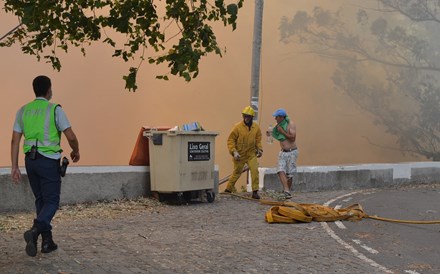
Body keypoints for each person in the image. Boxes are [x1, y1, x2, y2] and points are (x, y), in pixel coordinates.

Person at [10, 75, 80, 257]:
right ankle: (34, 231)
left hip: (30, 161)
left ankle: (47, 242)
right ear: (49, 90)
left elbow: (14, 141)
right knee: (52, 201)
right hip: (48, 160)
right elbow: (70, 136)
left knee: (41, 200)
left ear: (34, 90)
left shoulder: (23, 110)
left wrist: (14, 166)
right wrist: (76, 151)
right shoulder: (55, 109)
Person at [225, 106, 263, 199]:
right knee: (237, 172)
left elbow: (258, 140)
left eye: (248, 116)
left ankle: (255, 192)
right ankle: (228, 189)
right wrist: (234, 152)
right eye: (245, 116)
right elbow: (231, 140)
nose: (246, 118)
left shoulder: (256, 128)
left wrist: (260, 149)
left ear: (251, 117)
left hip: (251, 154)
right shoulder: (237, 127)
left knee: (254, 171)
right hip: (240, 154)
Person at [270, 108, 298, 199]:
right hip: (283, 152)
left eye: (276, 117)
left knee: (289, 174)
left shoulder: (290, 124)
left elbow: (293, 138)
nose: (275, 119)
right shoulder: (278, 125)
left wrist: (283, 132)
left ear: (281, 117)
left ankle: (287, 192)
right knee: (280, 170)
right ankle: (286, 190)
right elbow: (275, 134)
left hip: (292, 152)